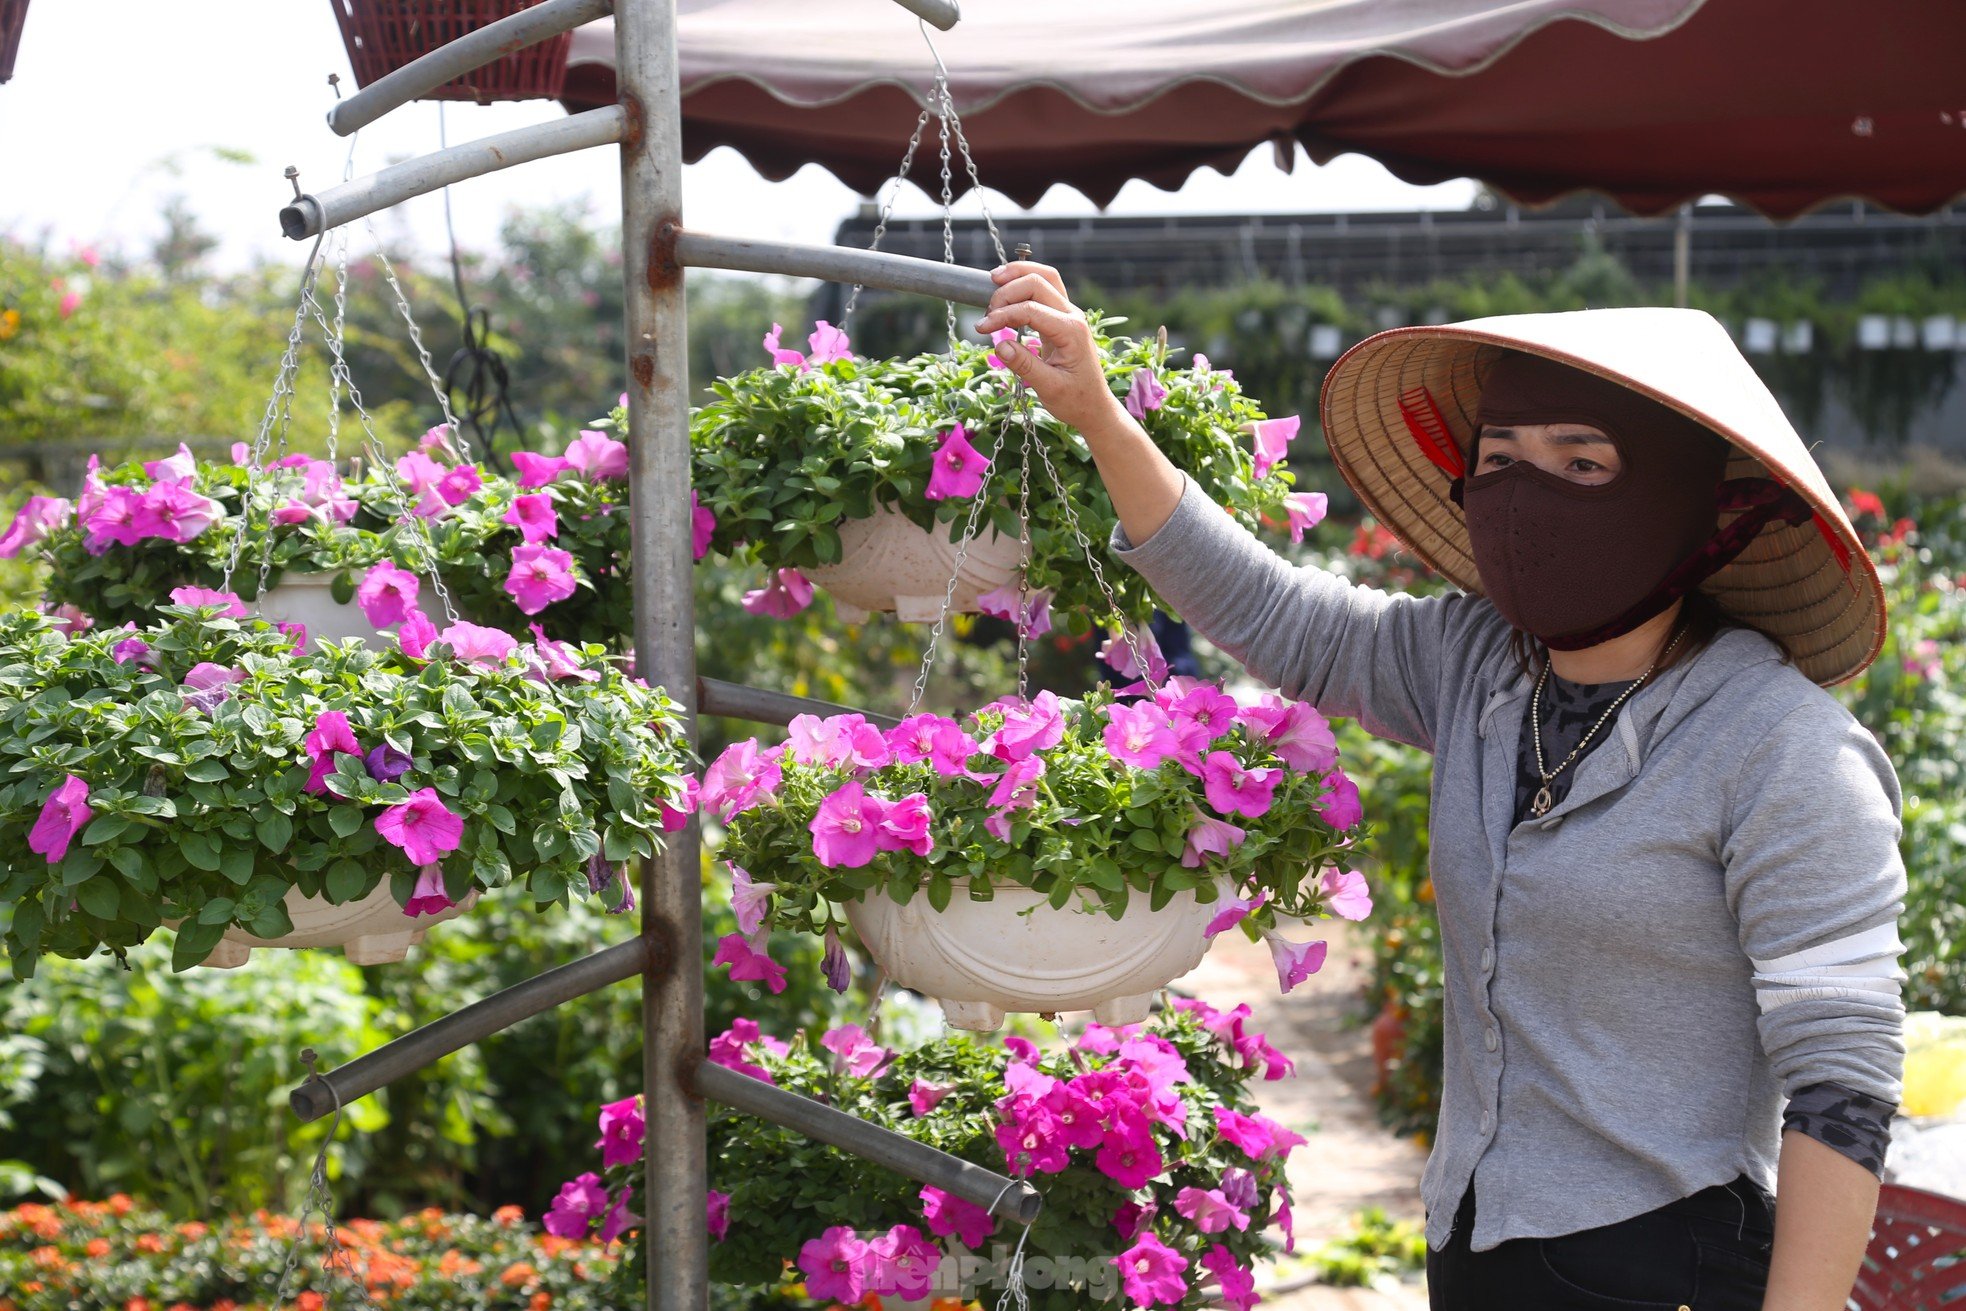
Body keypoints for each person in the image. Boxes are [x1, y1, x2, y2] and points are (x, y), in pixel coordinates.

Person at [974, 263, 1906, 1311]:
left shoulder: (1780, 747)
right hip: (1475, 1244)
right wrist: (1096, 414)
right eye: (1499, 458)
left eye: (1582, 461)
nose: (1523, 494)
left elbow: (1843, 1081)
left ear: (1696, 511)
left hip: (1669, 1260)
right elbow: (1278, 615)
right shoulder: (1480, 667)